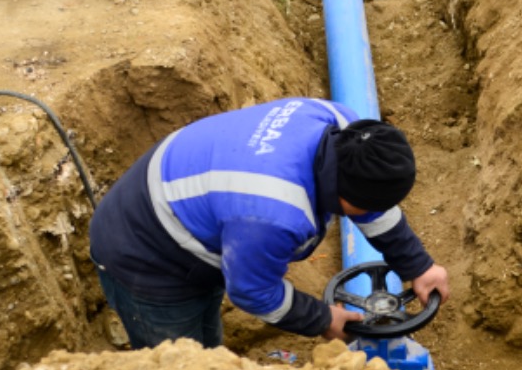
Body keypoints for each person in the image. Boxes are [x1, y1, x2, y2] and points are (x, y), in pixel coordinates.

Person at [89, 96, 451, 349]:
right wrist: (322, 318)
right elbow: (252, 291)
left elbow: (371, 205)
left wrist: (418, 265)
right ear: (346, 197)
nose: (372, 213)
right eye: (366, 206)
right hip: (143, 252)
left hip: (187, 199)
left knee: (206, 342)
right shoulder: (273, 214)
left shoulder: (343, 127)